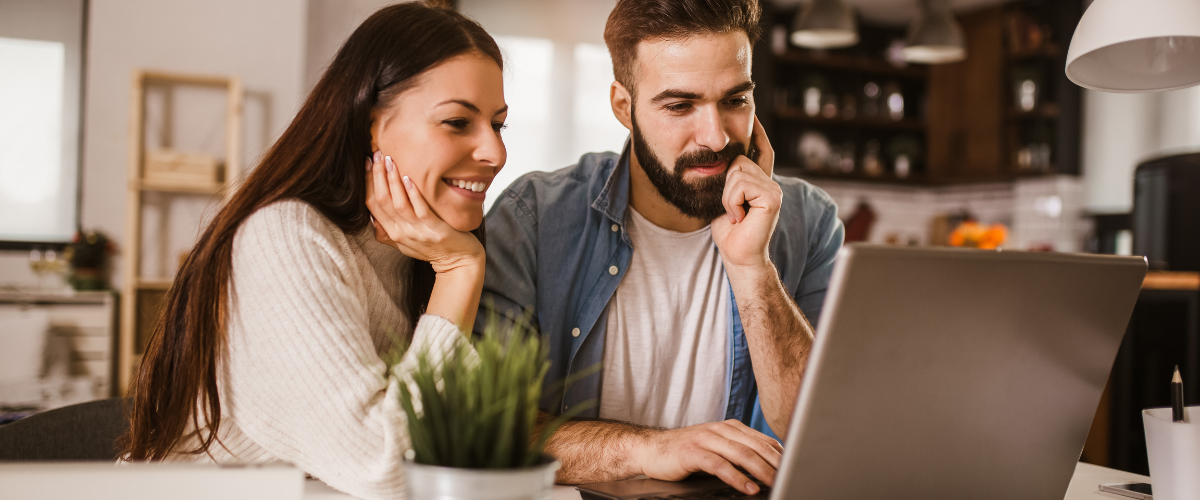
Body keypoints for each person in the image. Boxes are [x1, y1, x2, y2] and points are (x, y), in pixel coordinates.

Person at [122, 3, 507, 499]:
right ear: (370, 125)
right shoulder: (285, 237)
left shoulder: (423, 255)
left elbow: (467, 448)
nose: (495, 153)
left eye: (498, 124)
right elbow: (383, 467)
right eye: (457, 121)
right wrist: (459, 272)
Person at [478, 0, 844, 495]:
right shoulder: (534, 218)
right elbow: (490, 431)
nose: (715, 137)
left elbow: (822, 436)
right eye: (679, 106)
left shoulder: (807, 219)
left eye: (735, 100)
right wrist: (651, 448)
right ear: (623, 107)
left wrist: (752, 267)